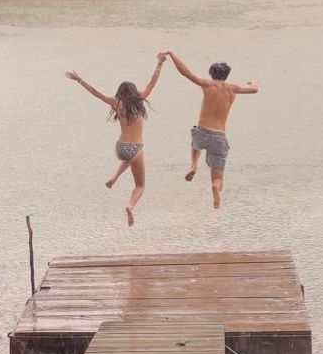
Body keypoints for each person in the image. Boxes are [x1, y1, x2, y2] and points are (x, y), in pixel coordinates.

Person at [66, 54, 167, 226]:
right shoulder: (140, 99)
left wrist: (79, 80)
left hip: (120, 147)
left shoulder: (116, 103)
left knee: (128, 158)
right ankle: (130, 206)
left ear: (120, 92)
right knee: (140, 186)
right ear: (134, 92)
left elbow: (96, 93)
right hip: (136, 148)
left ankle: (114, 177)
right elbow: (152, 83)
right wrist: (159, 63)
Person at [160, 51, 259, 210]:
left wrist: (171, 54)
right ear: (227, 75)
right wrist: (254, 82)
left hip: (202, 132)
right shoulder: (233, 89)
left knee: (195, 141)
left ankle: (193, 165)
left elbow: (185, 72)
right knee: (218, 177)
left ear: (211, 74)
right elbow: (254, 89)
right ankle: (215, 188)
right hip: (219, 137)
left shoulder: (206, 84)